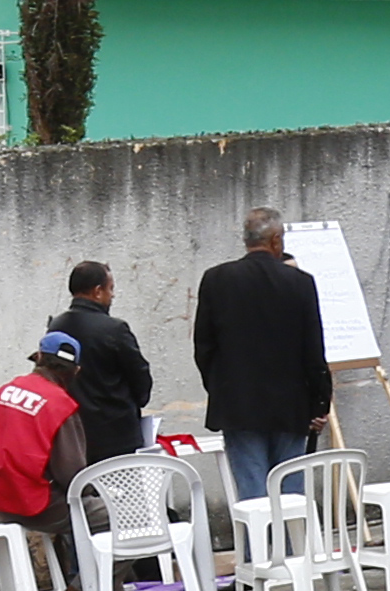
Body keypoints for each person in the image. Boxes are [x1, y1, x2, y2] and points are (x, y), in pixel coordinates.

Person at [189, 206, 333, 499]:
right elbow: (313, 349)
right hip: (291, 404)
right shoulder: (300, 282)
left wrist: (220, 388)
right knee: (290, 496)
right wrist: (319, 402)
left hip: (238, 403)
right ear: (276, 240)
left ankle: (258, 532)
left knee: (252, 494)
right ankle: (289, 533)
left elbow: (204, 346)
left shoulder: (216, 279)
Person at [0, 328, 89, 591]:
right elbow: (73, 475)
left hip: (2, 502)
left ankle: (109, 590)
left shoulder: (5, 392)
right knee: (115, 516)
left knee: (84, 510)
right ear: (75, 371)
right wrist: (95, 492)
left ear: (39, 357)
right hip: (36, 505)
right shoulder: (60, 404)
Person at [50, 260, 155, 473]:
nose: (112, 295)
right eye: (110, 288)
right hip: (116, 435)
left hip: (73, 434)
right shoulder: (115, 329)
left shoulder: (56, 327)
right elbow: (139, 376)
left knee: (82, 491)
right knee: (123, 490)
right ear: (98, 291)